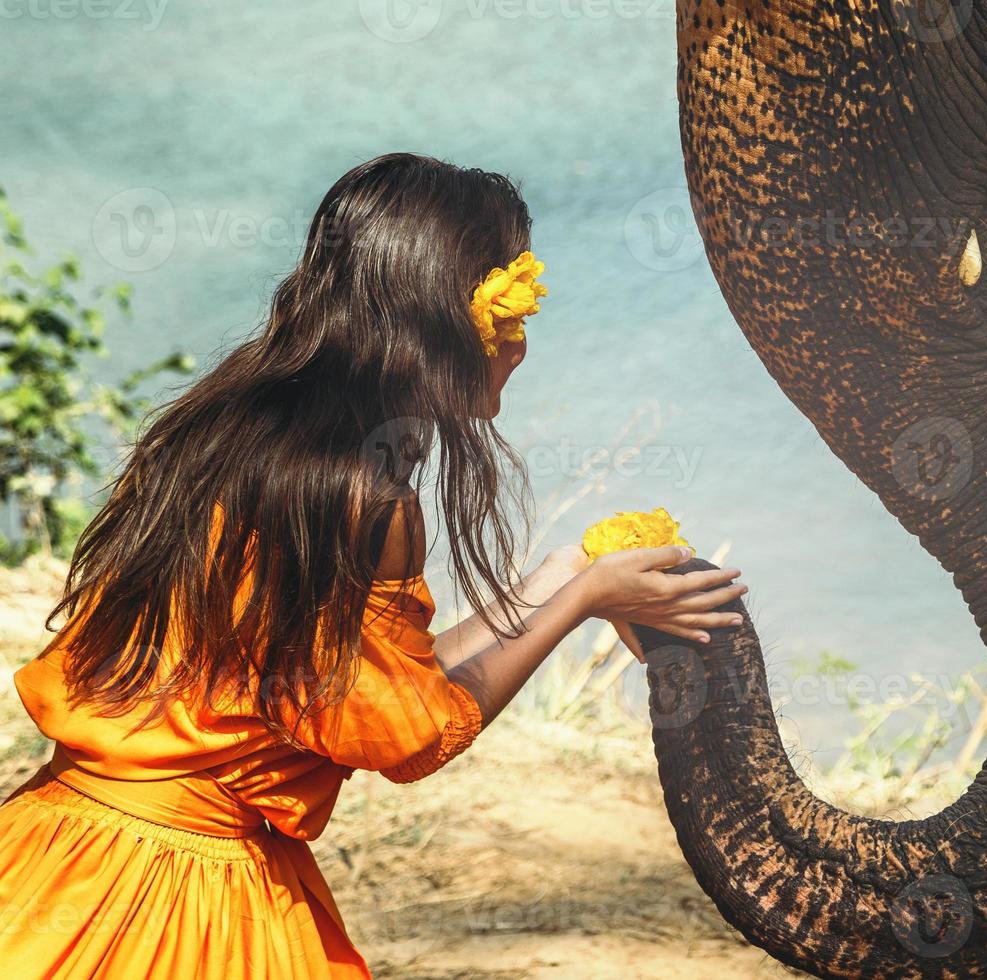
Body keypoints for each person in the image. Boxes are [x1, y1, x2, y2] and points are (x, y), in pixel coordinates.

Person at [0, 152, 746, 978]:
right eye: (514, 310)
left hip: (55, 844)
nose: (522, 346)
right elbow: (411, 740)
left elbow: (387, 684)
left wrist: (564, 576)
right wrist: (581, 604)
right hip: (180, 894)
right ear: (444, 322)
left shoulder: (225, 430)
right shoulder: (371, 501)